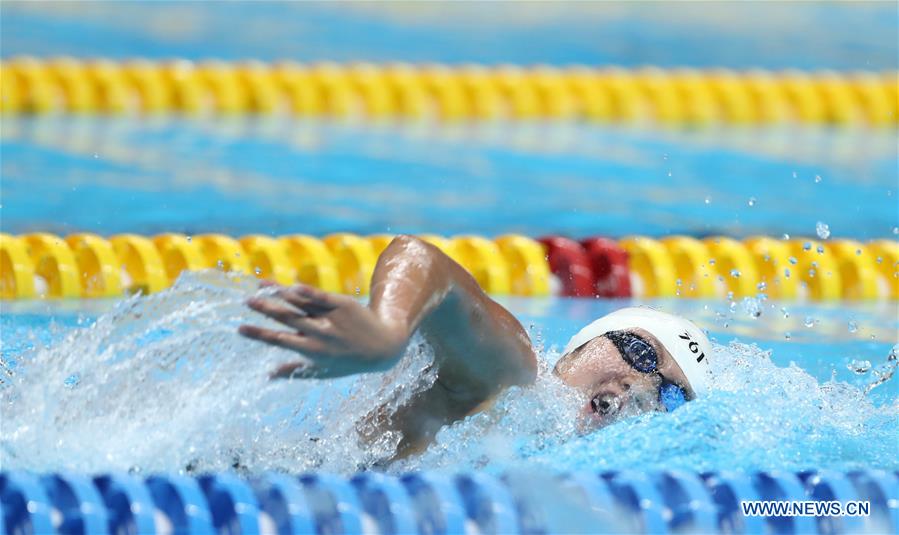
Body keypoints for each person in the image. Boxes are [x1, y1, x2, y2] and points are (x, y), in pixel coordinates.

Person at [239, 235, 712, 458]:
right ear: (581, 344)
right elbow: (419, 258)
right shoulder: (514, 377)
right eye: (641, 352)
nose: (643, 383)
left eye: (671, 395)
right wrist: (386, 332)